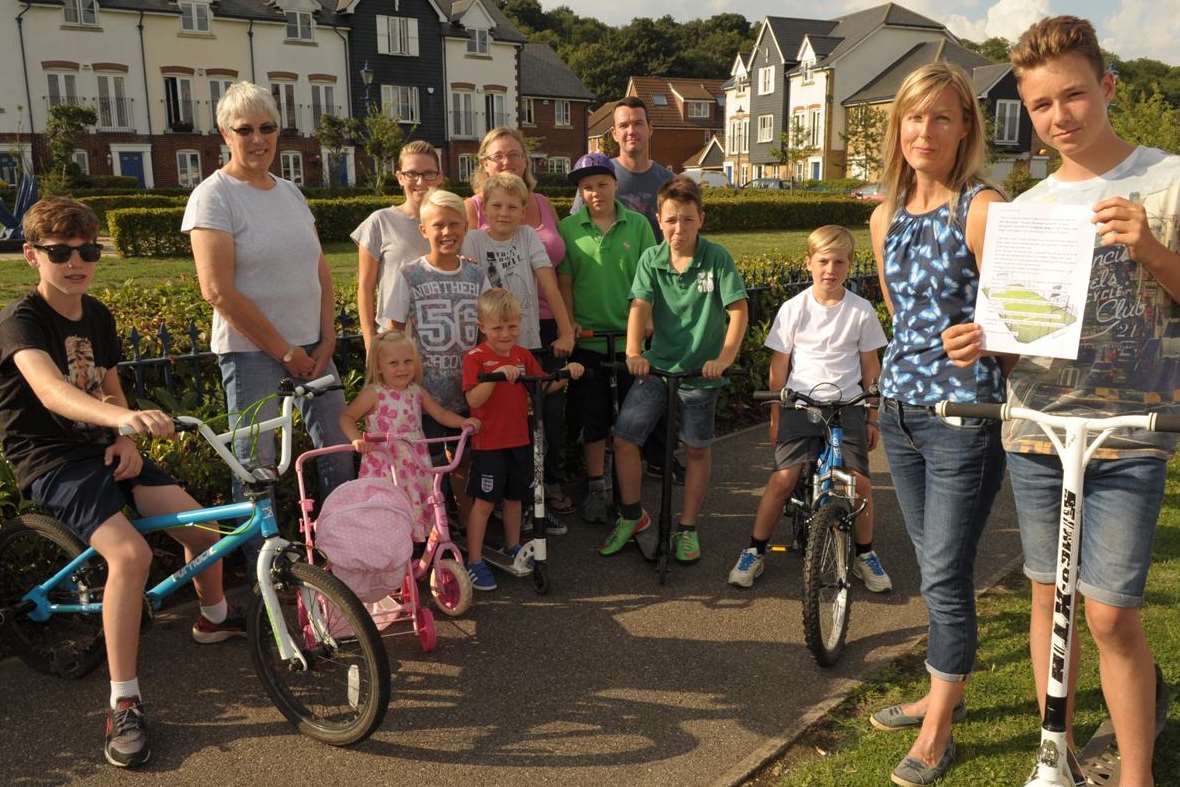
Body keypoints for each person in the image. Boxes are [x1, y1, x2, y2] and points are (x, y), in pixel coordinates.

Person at [942, 16, 1180, 785]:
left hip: (1130, 427)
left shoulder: (1166, 178)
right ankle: (1060, 753)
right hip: (1039, 424)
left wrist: (1150, 248)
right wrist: (986, 343)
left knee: (1109, 612)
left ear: (1107, 87)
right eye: (1042, 106)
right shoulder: (1027, 207)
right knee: (1051, 604)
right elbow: (1023, 332)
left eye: (1074, 95)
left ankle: (1136, 773)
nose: (1060, 116)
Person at [0, 198, 246, 769]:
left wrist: (127, 435)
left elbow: (110, 388)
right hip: (50, 456)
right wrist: (117, 422)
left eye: (87, 250)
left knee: (204, 531)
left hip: (105, 446)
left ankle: (211, 618)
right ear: (32, 255)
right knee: (130, 555)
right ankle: (124, 701)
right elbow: (49, 391)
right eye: (60, 252)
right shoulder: (23, 320)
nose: (76, 262)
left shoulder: (98, 316)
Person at [865, 62, 1008, 787]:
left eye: (942, 118)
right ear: (900, 126)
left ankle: (938, 725)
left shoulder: (982, 208)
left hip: (964, 419)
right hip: (899, 414)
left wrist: (986, 333)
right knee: (932, 569)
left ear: (965, 129)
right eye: (914, 117)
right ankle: (938, 687)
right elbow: (900, 314)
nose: (925, 131)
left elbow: (1025, 325)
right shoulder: (883, 216)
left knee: (947, 574)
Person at [183, 81, 352, 561]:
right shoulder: (212, 196)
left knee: (337, 451)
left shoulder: (291, 192)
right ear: (224, 133)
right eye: (245, 129)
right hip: (253, 354)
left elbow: (319, 267)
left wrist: (326, 336)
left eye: (267, 127)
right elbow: (217, 290)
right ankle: (266, 575)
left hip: (311, 349)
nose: (258, 139)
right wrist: (285, 352)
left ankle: (342, 553)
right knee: (256, 467)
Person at [727, 225, 891, 592]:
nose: (830, 269)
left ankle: (865, 553)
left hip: (846, 406)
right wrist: (775, 413)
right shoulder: (793, 309)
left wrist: (872, 414)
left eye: (838, 262)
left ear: (849, 265)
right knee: (784, 478)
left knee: (859, 483)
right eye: (823, 262)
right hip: (800, 406)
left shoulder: (860, 311)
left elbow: (870, 367)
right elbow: (779, 366)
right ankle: (755, 549)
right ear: (808, 264)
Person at [601, 176, 748, 563]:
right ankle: (633, 515)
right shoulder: (652, 258)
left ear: (701, 218)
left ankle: (687, 527)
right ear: (658, 219)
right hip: (659, 366)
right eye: (670, 220)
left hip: (701, 372)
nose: (678, 228)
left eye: (686, 219)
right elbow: (639, 307)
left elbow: (737, 311)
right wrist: (635, 351)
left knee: (697, 449)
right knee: (624, 438)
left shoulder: (716, 258)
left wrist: (726, 357)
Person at [572, 98, 682, 484]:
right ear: (614, 133)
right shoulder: (599, 173)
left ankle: (656, 456)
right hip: (609, 309)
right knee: (601, 403)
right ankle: (606, 475)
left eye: (638, 122)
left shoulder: (666, 180)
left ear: (650, 128)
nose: (632, 130)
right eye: (624, 125)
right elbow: (578, 242)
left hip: (657, 297)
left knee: (655, 387)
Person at [465, 126, 574, 514]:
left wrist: (564, 329)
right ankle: (499, 498)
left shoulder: (530, 230)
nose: (505, 213)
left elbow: (550, 280)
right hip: (493, 337)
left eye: (514, 153)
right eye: (498, 155)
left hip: (529, 336)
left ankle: (533, 495)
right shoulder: (474, 228)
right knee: (499, 418)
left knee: (541, 416)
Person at [558, 152, 658, 524]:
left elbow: (648, 281)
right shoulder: (569, 229)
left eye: (602, 184)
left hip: (630, 339)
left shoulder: (637, 225)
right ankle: (597, 482)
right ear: (580, 193)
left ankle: (630, 483)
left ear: (615, 184)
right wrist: (570, 325)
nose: (595, 192)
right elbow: (565, 283)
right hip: (590, 339)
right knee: (594, 417)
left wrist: (645, 321)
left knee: (631, 417)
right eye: (587, 187)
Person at [461, 289, 584, 590]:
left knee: (515, 498)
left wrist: (566, 375)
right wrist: (496, 377)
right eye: (498, 328)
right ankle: (474, 561)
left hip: (519, 440)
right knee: (485, 502)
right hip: (489, 443)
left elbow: (540, 387)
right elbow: (473, 398)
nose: (505, 334)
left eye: (512, 326)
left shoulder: (523, 355)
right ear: (483, 327)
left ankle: (512, 546)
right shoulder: (475, 358)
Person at [386, 189, 487, 522]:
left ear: (466, 226)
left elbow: (488, 327)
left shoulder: (476, 274)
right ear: (424, 230)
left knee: (464, 460)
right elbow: (395, 332)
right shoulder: (410, 275)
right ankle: (431, 528)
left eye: (455, 224)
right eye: (439, 225)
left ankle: (465, 522)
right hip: (425, 393)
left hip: (468, 391)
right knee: (425, 463)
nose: (447, 232)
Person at [338, 331, 479, 541]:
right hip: (386, 466)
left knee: (416, 508)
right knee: (388, 513)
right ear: (379, 367)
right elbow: (347, 417)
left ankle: (416, 559)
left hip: (414, 465)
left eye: (407, 361)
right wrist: (356, 438)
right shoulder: (374, 393)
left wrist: (462, 422)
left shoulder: (416, 391)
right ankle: (390, 556)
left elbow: (439, 413)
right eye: (394, 363)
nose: (402, 368)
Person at [352, 140, 441, 354]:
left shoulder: (450, 222)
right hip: (395, 340)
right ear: (400, 177)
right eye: (411, 174)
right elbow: (365, 288)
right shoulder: (380, 221)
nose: (420, 181)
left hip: (441, 337)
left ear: (439, 177)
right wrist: (369, 342)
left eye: (428, 174)